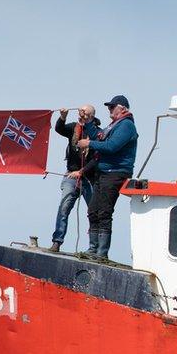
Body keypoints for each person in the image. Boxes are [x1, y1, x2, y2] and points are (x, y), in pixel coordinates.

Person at [76, 95, 138, 259]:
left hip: (115, 173)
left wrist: (88, 144)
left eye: (112, 107)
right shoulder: (115, 125)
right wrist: (88, 122)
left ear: (122, 108)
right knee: (93, 210)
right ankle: (93, 249)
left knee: (103, 211)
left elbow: (111, 147)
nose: (109, 110)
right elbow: (99, 136)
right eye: (109, 107)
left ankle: (101, 253)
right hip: (104, 173)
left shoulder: (126, 126)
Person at [49, 105, 101, 252]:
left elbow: (97, 158)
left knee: (93, 212)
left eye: (84, 114)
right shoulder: (74, 128)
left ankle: (93, 248)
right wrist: (63, 117)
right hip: (71, 175)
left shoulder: (98, 133)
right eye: (79, 113)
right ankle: (57, 242)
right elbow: (59, 129)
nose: (80, 116)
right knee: (63, 207)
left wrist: (82, 171)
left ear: (90, 116)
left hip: (90, 178)